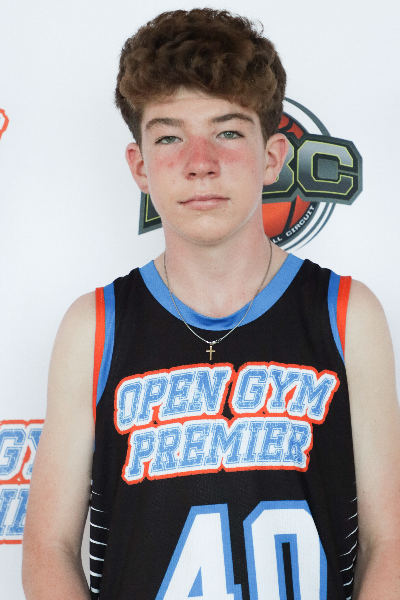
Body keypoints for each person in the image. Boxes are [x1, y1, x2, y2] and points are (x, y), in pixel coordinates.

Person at [22, 8, 400, 600]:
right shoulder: (95, 326)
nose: (200, 162)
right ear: (140, 165)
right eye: (169, 137)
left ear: (273, 156)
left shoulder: (346, 314)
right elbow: (47, 549)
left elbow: (390, 542)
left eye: (227, 132)